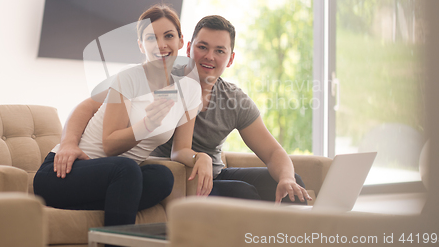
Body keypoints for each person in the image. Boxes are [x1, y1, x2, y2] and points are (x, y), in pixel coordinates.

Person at [53, 14, 311, 204]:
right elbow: (86, 108)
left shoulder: (234, 99)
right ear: (188, 48)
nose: (209, 56)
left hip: (214, 173)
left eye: (219, 51)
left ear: (230, 59)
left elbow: (273, 152)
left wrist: (286, 177)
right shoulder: (157, 76)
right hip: (174, 174)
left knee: (292, 185)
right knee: (245, 195)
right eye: (202, 47)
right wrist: (68, 143)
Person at [33, 4, 211, 228]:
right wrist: (147, 125)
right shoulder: (128, 78)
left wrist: (201, 157)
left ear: (180, 41)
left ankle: (113, 202)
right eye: (151, 38)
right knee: (127, 168)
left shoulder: (189, 91)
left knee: (162, 177)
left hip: (119, 178)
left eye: (169, 36)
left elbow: (181, 149)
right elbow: (109, 146)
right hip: (65, 173)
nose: (162, 44)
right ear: (141, 45)